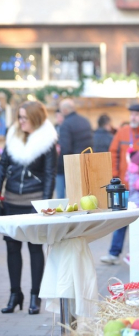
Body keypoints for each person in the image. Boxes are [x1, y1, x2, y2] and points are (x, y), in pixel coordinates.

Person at [0, 101, 57, 315]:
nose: (20, 121)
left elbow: (50, 174)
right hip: (12, 200)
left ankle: (35, 296)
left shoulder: (47, 140)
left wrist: (44, 206)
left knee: (35, 248)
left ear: (35, 118)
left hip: (34, 202)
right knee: (12, 248)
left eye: (24, 117)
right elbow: (3, 165)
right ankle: (15, 294)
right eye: (19, 117)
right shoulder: (13, 134)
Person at [101, 104, 139, 265]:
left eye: (137, 114)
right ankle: (113, 253)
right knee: (120, 219)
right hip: (123, 186)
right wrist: (115, 176)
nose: (133, 117)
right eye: (132, 114)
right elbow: (113, 153)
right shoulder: (123, 132)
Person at [56, 99, 93, 198]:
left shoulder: (66, 124)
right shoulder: (85, 121)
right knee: (83, 196)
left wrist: (58, 165)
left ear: (64, 110)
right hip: (86, 163)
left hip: (70, 166)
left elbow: (65, 148)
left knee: (67, 198)